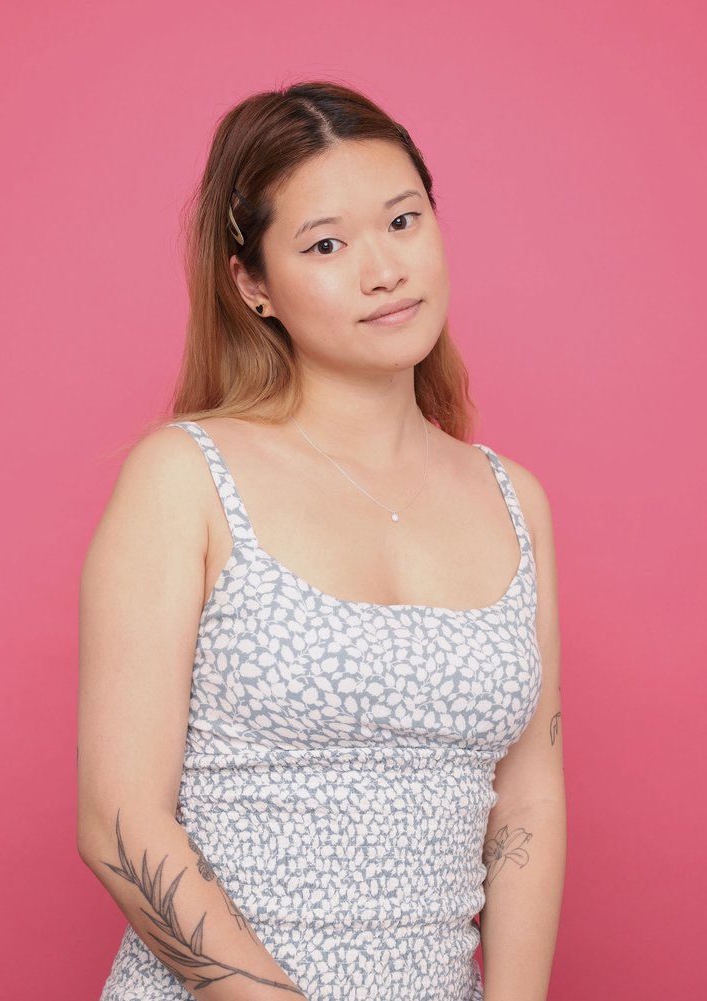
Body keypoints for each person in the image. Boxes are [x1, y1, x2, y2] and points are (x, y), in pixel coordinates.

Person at [77, 80, 566, 1001]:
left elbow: (529, 799)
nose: (383, 269)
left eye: (403, 220)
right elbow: (118, 819)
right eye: (327, 245)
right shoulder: (184, 478)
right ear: (252, 284)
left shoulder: (513, 499)